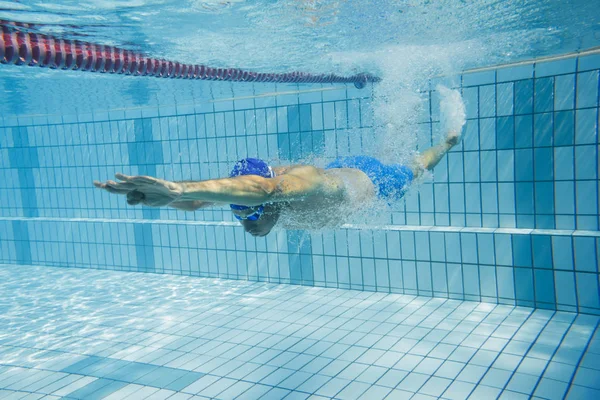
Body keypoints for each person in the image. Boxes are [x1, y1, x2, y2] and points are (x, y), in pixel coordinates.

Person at [94, 88, 465, 237]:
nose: (247, 225)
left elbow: (265, 189)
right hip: (338, 168)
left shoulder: (289, 187)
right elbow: (202, 200)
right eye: (242, 215)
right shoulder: (258, 197)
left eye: (250, 214)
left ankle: (449, 139)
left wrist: (179, 188)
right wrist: (167, 197)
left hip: (372, 179)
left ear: (265, 205)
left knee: (415, 168)